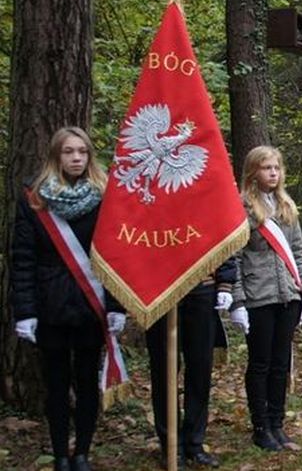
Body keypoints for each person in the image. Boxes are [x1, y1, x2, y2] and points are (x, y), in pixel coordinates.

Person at [11, 127, 126, 471]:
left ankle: (82, 454)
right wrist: (25, 311)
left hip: (92, 306)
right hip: (50, 306)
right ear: (55, 156)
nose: (76, 158)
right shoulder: (34, 197)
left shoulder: (106, 196)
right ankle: (61, 453)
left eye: (82, 152)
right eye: (68, 152)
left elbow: (116, 254)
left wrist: (116, 305)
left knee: (88, 382)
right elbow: (23, 258)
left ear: (90, 156)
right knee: (57, 385)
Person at [230, 146, 302, 451]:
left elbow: (300, 254)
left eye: (276, 167)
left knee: (281, 363)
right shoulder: (241, 209)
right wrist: (238, 301)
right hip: (258, 297)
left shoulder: (287, 207)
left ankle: (277, 423)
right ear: (253, 172)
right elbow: (235, 259)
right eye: (266, 168)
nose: (273, 173)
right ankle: (261, 425)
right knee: (261, 363)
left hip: (288, 296)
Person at [145, 259, 236, 469]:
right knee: (164, 371)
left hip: (201, 288)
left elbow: (223, 235)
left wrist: (225, 283)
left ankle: (194, 442)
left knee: (200, 370)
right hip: (159, 290)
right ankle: (170, 444)